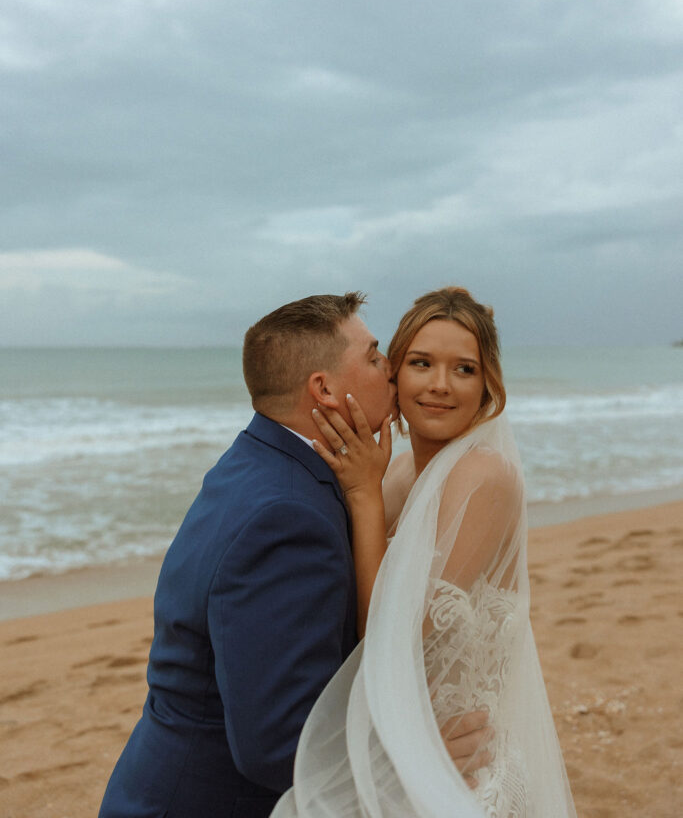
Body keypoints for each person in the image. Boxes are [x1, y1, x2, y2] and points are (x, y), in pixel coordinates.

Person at [99, 292, 490, 818]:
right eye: (375, 358)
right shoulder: (286, 516)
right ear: (324, 389)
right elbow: (278, 746)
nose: (393, 372)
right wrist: (423, 755)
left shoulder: (256, 464)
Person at [272, 287, 577, 818]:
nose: (439, 385)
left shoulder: (484, 477)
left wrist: (363, 497)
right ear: (393, 376)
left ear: (487, 387)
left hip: (462, 764)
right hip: (407, 740)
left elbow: (393, 633)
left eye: (464, 369)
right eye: (421, 363)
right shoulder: (396, 472)